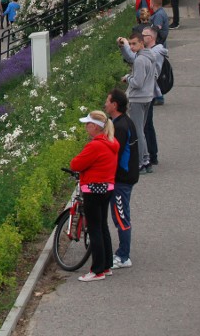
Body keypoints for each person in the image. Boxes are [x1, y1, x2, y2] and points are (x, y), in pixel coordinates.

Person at [70, 111, 119, 281]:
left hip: (93, 189)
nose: (85, 127)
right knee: (103, 226)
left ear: (96, 127)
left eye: (88, 124)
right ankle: (106, 266)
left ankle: (97, 270)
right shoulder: (112, 142)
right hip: (107, 188)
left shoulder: (95, 145)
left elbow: (76, 164)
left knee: (94, 229)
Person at [104, 89, 139, 270]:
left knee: (121, 216)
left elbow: (113, 154)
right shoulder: (124, 122)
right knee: (120, 215)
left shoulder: (120, 127)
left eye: (107, 101)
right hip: (125, 177)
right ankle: (122, 253)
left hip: (121, 179)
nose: (105, 104)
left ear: (115, 105)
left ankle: (124, 256)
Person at [117, 32, 157, 172]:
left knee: (137, 131)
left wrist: (128, 78)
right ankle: (146, 160)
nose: (132, 47)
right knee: (141, 129)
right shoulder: (149, 56)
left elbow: (138, 82)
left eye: (134, 44)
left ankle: (141, 162)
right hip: (147, 97)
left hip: (138, 98)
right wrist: (123, 47)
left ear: (141, 43)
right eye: (130, 44)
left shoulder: (140, 60)